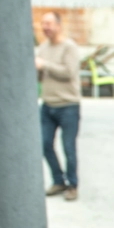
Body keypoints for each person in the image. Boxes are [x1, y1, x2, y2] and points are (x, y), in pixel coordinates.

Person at [35, 11, 81, 200]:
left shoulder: (69, 47)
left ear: (58, 25)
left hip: (68, 105)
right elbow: (40, 74)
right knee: (44, 144)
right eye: (43, 24)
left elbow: (69, 72)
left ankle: (72, 185)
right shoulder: (42, 48)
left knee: (68, 147)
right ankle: (58, 180)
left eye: (49, 23)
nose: (45, 27)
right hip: (48, 105)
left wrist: (45, 65)